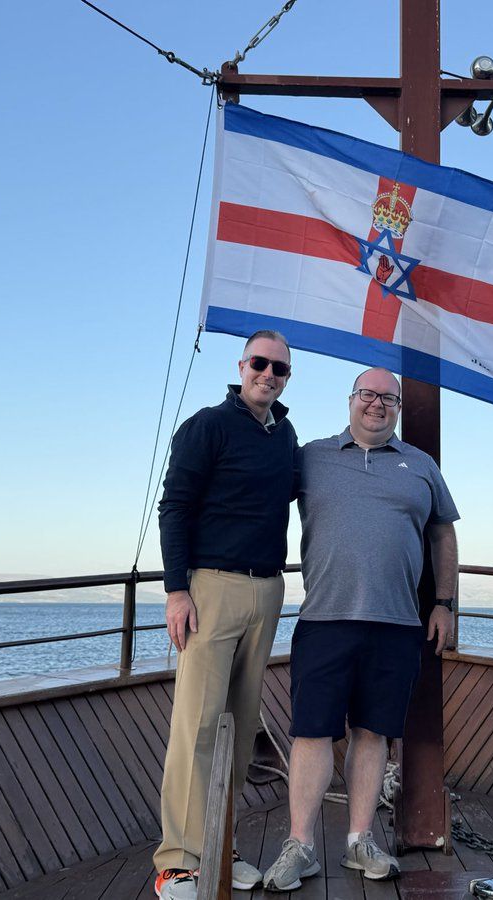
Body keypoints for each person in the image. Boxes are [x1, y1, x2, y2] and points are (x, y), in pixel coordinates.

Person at [262, 367, 458, 892]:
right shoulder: (312, 457)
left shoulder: (421, 466)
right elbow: (255, 494)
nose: (377, 404)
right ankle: (299, 845)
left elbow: (442, 535)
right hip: (324, 620)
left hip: (397, 624)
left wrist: (444, 604)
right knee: (310, 734)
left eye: (387, 398)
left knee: (373, 732)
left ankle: (359, 840)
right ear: (350, 401)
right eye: (367, 395)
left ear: (396, 407)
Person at [152, 331, 298, 900]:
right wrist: (176, 591)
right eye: (259, 363)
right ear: (241, 366)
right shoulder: (207, 426)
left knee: (240, 727)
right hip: (210, 588)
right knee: (197, 726)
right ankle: (178, 863)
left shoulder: (284, 435)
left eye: (278, 368)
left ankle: (221, 845)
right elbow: (176, 506)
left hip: (267, 591)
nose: (268, 373)